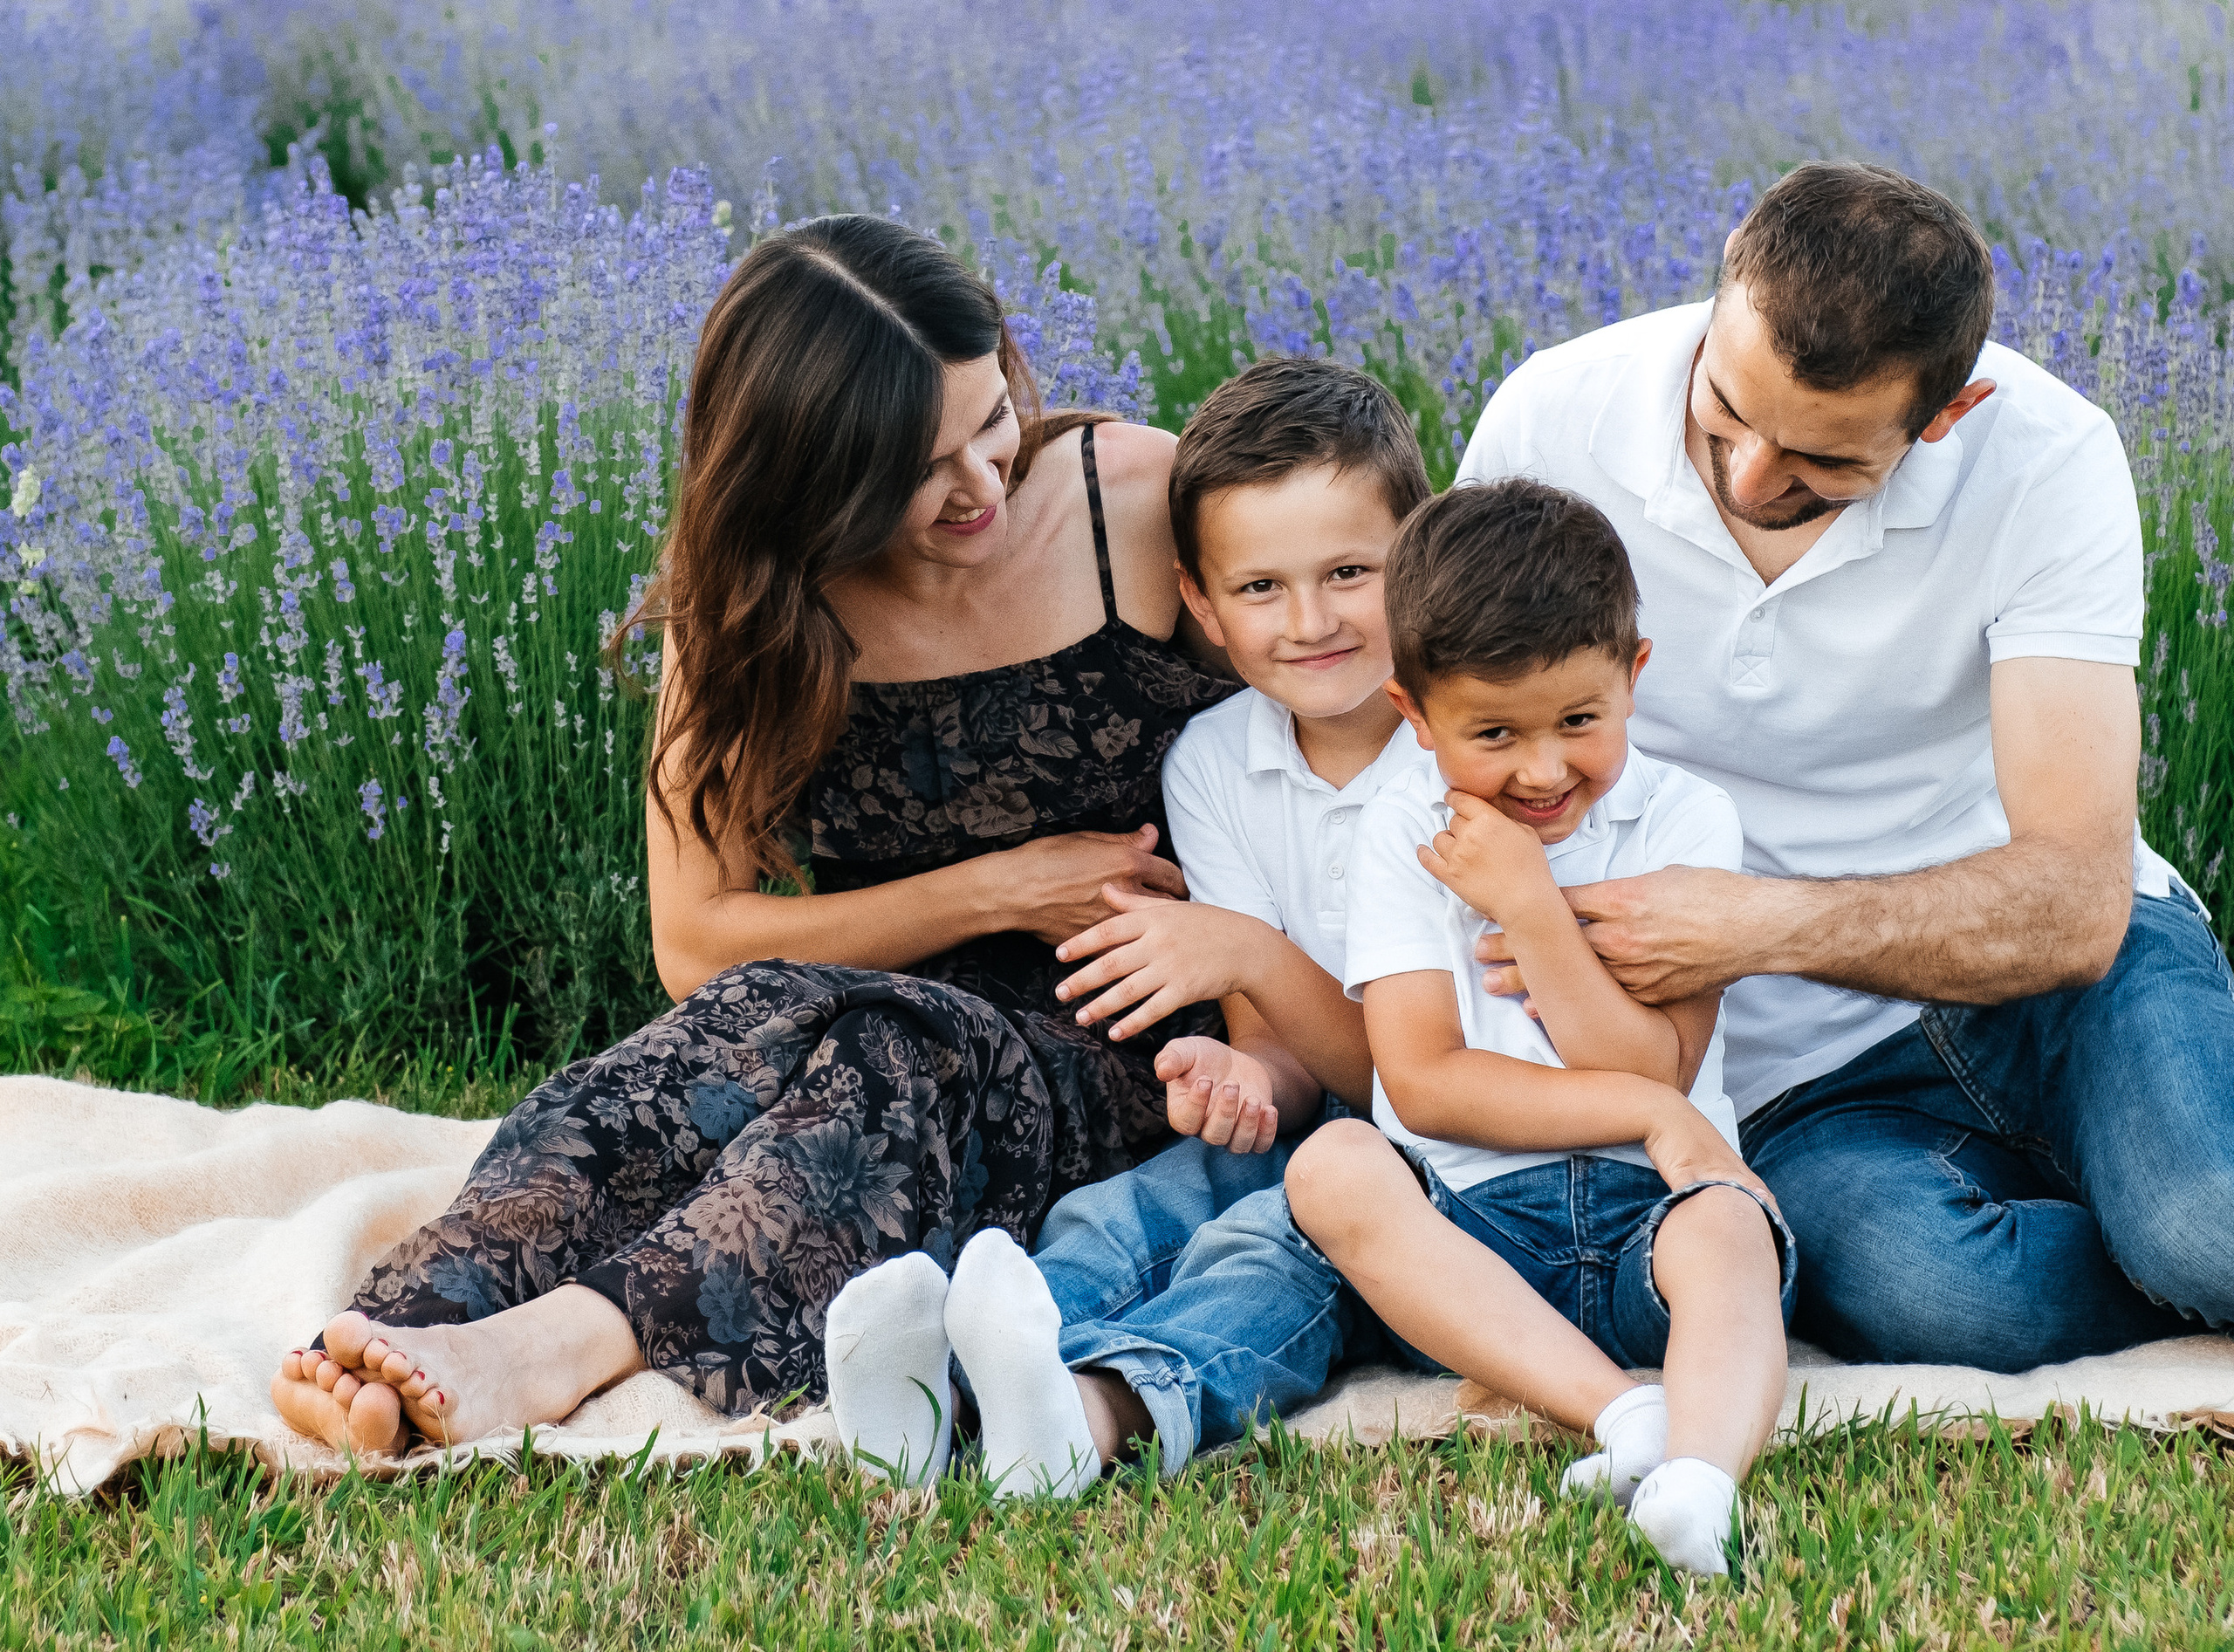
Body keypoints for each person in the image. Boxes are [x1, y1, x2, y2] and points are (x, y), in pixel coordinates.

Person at [270, 214, 1237, 1458]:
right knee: (662, 1078)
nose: (983, 484)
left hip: (1126, 1037)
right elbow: (697, 942)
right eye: (916, 465)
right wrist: (998, 887)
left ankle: (554, 1350)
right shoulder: (748, 601)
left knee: (884, 1060)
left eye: (991, 418)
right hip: (841, 1005)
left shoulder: (1139, 503)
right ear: (809, 475)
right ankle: (390, 1326)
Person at [1455, 161, 2234, 1369]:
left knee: (2207, 1230)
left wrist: (1755, 923)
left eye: (1825, 460)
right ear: (1724, 281)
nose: (1752, 478)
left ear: (1946, 416)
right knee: (1954, 1304)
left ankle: (2165, 1217)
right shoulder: (1551, 418)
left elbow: (2079, 906)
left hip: (2066, 992)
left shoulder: (2046, 456)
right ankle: (2131, 1217)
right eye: (1729, 410)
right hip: (1798, 1072)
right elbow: (1462, 733)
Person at [824, 357, 1429, 1493]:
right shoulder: (1216, 760)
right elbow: (1284, 1051)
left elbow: (1422, 1081)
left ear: (1423, 557)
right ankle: (939, 1396)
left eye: (1351, 572)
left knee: (1271, 1261)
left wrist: (1247, 955)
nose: (1309, 623)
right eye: (1260, 590)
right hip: (1327, 1129)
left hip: (1464, 1157)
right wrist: (1243, 1080)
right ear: (1199, 602)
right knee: (1122, 1214)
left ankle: (1094, 1419)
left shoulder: (1470, 754)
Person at [1284, 481, 1794, 1579]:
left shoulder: (1686, 819)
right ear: (1413, 716)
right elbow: (1422, 1085)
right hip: (1473, 1244)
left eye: (1578, 720)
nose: (1543, 770)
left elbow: (1658, 1058)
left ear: (1633, 676)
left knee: (1731, 1228)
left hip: (1648, 1228)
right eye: (1492, 732)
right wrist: (1655, 1111)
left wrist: (1530, 907)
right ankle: (1622, 1417)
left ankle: (1700, 1481)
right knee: (1333, 1164)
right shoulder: (1401, 829)